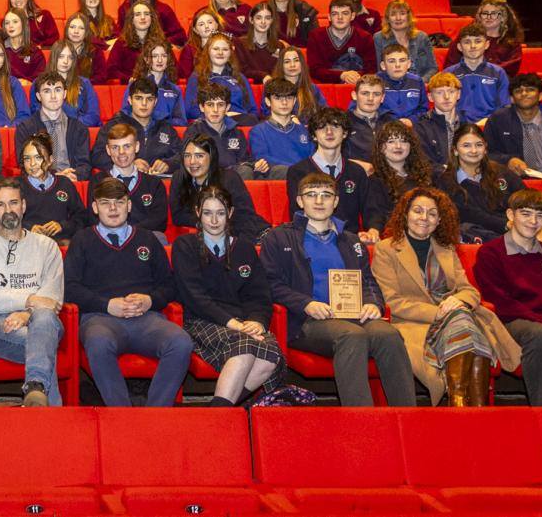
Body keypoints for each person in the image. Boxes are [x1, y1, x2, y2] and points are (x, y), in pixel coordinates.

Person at [260, 172, 416, 407]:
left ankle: (408, 417)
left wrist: (373, 303)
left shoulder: (351, 241)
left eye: (326, 195)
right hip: (307, 322)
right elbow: (270, 284)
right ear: (300, 201)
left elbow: (369, 281)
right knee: (351, 336)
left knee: (389, 335)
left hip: (354, 315)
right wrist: (306, 303)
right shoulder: (279, 238)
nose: (319, 201)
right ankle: (360, 420)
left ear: (336, 201)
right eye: (311, 195)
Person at [372, 187, 519, 406]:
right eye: (418, 211)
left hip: (456, 315)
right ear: (405, 214)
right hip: (415, 322)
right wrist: (441, 312)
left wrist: (458, 301)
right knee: (468, 326)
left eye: (432, 213)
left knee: (464, 322)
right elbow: (394, 302)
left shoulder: (446, 248)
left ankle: (461, 401)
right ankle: (470, 404)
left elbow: (469, 291)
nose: (424, 218)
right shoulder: (386, 249)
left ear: (439, 220)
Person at [67, 177, 192, 406]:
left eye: (119, 202)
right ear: (95, 207)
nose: (113, 209)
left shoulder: (148, 239)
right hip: (100, 319)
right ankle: (121, 415)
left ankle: (155, 415)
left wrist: (150, 300)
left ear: (129, 205)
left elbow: (170, 285)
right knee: (98, 343)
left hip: (146, 318)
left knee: (181, 342)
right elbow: (70, 289)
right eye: (105, 203)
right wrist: (106, 304)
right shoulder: (82, 240)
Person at [174, 185, 285, 406]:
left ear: (230, 213)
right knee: (244, 347)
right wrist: (232, 323)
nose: (214, 220)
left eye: (220, 213)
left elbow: (259, 294)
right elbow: (194, 296)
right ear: (198, 212)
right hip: (202, 321)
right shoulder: (185, 245)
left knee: (271, 354)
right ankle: (224, 416)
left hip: (241, 323)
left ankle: (221, 410)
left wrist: (258, 321)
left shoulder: (244, 247)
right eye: (207, 213)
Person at [472, 189, 542, 406]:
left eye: (539, 215)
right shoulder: (491, 253)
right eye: (526, 214)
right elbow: (500, 301)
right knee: (538, 335)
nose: (533, 221)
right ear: (511, 215)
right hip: (512, 322)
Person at [0, 178, 65, 406]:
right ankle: (49, 414)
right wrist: (30, 299)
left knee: (43, 322)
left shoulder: (47, 246)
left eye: (13, 203)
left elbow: (52, 299)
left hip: (42, 321)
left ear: (23, 205)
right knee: (43, 344)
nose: (8, 210)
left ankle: (35, 388)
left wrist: (28, 314)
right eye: (0, 205)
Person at [286, 107, 371, 236]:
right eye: (322, 127)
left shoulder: (357, 171)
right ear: (314, 135)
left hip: (350, 239)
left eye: (335, 127)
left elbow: (370, 210)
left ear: (345, 133)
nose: (329, 132)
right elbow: (297, 213)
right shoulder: (297, 171)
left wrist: (373, 230)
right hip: (313, 237)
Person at [441, 123, 531, 243]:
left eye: (479, 145)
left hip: (514, 227)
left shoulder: (501, 172)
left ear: (485, 148)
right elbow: (471, 215)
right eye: (466, 145)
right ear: (455, 150)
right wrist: (506, 224)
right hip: (478, 235)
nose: (474, 150)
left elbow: (526, 197)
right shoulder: (446, 181)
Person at [172, 135, 269, 245]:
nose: (192, 161)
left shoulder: (230, 178)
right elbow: (178, 216)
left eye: (199, 156)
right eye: (187, 156)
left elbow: (245, 214)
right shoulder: (179, 178)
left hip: (239, 231)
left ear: (211, 157)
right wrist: (209, 220)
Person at [483, 73, 542, 179]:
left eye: (530, 89)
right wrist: (508, 160)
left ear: (541, 96)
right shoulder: (498, 120)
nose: (524, 93)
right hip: (513, 181)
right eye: (518, 91)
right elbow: (485, 153)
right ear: (512, 98)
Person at [90, 124, 168, 238]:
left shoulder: (154, 183)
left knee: (159, 238)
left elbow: (159, 221)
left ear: (136, 147)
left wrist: (128, 233)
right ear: (108, 150)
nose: (121, 152)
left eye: (127, 146)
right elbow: (93, 219)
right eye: (115, 147)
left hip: (144, 238)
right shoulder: (97, 181)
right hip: (108, 238)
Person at [362, 122, 432, 240]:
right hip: (394, 236)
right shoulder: (375, 180)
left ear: (411, 146)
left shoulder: (425, 176)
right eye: (391, 141)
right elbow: (375, 214)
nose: (398, 146)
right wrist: (374, 230)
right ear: (381, 147)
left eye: (404, 141)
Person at [15, 71, 90, 181]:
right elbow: (23, 164)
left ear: (65, 94)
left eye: (58, 90)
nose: (53, 96)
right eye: (47, 91)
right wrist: (54, 176)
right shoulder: (25, 128)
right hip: (40, 184)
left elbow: (85, 166)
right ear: (38, 96)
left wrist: (72, 175)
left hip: (70, 182)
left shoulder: (79, 129)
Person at [20, 133, 89, 245]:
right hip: (28, 245)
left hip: (61, 243)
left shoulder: (64, 184)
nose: (32, 164)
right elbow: (8, 219)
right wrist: (28, 228)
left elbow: (81, 217)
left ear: (50, 160)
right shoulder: (17, 187)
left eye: (38, 158)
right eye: (27, 159)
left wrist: (62, 226)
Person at [104, 75, 181, 174]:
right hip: (124, 182)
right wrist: (128, 163)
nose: (144, 103)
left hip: (158, 182)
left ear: (155, 102)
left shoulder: (165, 127)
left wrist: (168, 164)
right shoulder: (114, 125)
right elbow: (98, 155)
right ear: (130, 100)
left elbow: (182, 154)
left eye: (149, 99)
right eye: (139, 98)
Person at [183, 34, 261, 126]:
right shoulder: (197, 77)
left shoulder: (239, 77)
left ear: (230, 53)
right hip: (210, 122)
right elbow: (190, 110)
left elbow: (253, 111)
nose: (220, 52)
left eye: (225, 49)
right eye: (216, 49)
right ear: (208, 51)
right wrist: (222, 116)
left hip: (240, 122)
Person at [184, 82, 255, 177]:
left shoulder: (237, 133)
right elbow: (193, 164)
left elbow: (245, 161)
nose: (215, 110)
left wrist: (254, 165)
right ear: (201, 107)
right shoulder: (194, 131)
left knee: (247, 171)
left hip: (235, 179)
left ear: (227, 108)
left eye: (220, 105)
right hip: (207, 180)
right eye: (210, 105)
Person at [443, 24, 511, 123]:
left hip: (491, 125)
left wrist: (488, 122)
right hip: (457, 127)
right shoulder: (448, 74)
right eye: (467, 42)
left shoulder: (498, 73)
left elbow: (505, 106)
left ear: (487, 45)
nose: (473, 46)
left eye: (478, 41)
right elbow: (443, 106)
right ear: (459, 47)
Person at [441, 0, 524, 77]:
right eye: (485, 13)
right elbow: (450, 65)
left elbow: (511, 68)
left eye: (494, 13)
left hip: (497, 82)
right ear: (479, 17)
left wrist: (484, 74)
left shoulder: (512, 42)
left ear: (503, 17)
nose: (489, 17)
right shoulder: (466, 38)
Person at [247, 79, 310, 182]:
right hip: (276, 178)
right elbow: (262, 158)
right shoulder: (258, 131)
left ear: (294, 101)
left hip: (305, 181)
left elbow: (312, 159)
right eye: (278, 98)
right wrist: (296, 168)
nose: (284, 102)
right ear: (268, 101)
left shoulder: (304, 131)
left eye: (289, 98)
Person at [306, 0, 377, 85]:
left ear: (352, 16)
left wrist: (354, 77)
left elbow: (371, 70)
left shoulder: (365, 37)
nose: (340, 17)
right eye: (335, 14)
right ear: (329, 17)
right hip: (326, 87)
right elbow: (314, 70)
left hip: (358, 85)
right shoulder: (316, 36)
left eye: (345, 13)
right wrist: (342, 75)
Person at [374, 0, 439, 82]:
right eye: (393, 14)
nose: (398, 18)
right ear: (388, 18)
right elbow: (379, 70)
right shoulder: (379, 38)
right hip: (391, 86)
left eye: (402, 13)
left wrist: (419, 82)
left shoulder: (422, 37)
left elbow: (433, 68)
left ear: (409, 16)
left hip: (420, 85)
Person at [38, 41, 99, 126]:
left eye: (70, 57)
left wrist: (70, 125)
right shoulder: (39, 83)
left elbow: (93, 116)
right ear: (54, 58)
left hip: (78, 130)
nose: (66, 61)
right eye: (61, 56)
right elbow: (36, 113)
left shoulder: (84, 83)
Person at [116, 0, 186, 46]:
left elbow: (181, 36)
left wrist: (162, 42)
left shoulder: (164, 10)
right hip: (132, 48)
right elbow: (121, 35)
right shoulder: (125, 9)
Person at [345, 74, 398, 168]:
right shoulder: (342, 123)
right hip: (355, 176)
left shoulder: (392, 122)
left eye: (376, 94)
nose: (370, 99)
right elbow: (331, 156)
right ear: (354, 95)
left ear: (382, 98)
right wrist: (356, 166)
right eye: (365, 93)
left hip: (389, 176)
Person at [414, 72, 465, 164]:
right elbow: (425, 163)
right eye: (439, 92)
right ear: (430, 97)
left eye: (451, 91)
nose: (446, 97)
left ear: (458, 94)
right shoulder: (421, 128)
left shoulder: (467, 124)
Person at [104, 2, 160, 83]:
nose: (143, 17)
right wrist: (130, 79)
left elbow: (173, 69)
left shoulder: (161, 43)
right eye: (138, 14)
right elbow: (111, 71)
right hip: (130, 88)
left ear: (152, 18)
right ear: (131, 19)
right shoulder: (121, 43)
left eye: (146, 14)